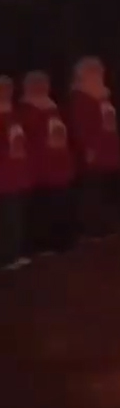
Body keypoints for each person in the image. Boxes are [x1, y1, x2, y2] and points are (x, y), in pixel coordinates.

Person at [18, 70, 76, 256]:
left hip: (59, 164)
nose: (41, 87)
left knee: (59, 204)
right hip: (40, 166)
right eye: (36, 84)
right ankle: (41, 244)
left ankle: (59, 241)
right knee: (42, 207)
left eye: (43, 84)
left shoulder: (52, 107)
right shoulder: (25, 109)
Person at [68, 56, 120, 239]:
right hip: (93, 152)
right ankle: (91, 228)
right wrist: (88, 148)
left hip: (107, 150)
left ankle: (103, 225)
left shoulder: (103, 95)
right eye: (92, 71)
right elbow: (81, 125)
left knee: (104, 189)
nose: (98, 74)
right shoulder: (81, 97)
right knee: (91, 190)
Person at [0, 75, 31, 272]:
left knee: (14, 213)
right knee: (6, 214)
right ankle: (5, 257)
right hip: (3, 172)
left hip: (15, 170)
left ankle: (12, 253)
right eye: (3, 89)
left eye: (9, 89)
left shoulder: (13, 112)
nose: (7, 92)